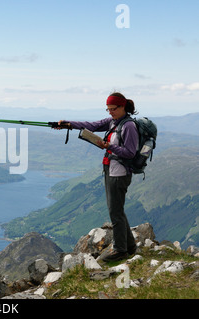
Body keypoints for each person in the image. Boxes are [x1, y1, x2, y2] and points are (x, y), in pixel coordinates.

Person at [57, 92, 138, 262]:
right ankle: (130, 246)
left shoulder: (128, 126)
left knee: (115, 212)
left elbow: (130, 153)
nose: (110, 112)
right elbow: (91, 125)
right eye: (108, 109)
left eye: (113, 109)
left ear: (122, 107)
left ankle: (120, 250)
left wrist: (110, 146)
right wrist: (68, 124)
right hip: (111, 170)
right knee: (118, 210)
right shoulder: (113, 122)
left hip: (120, 173)